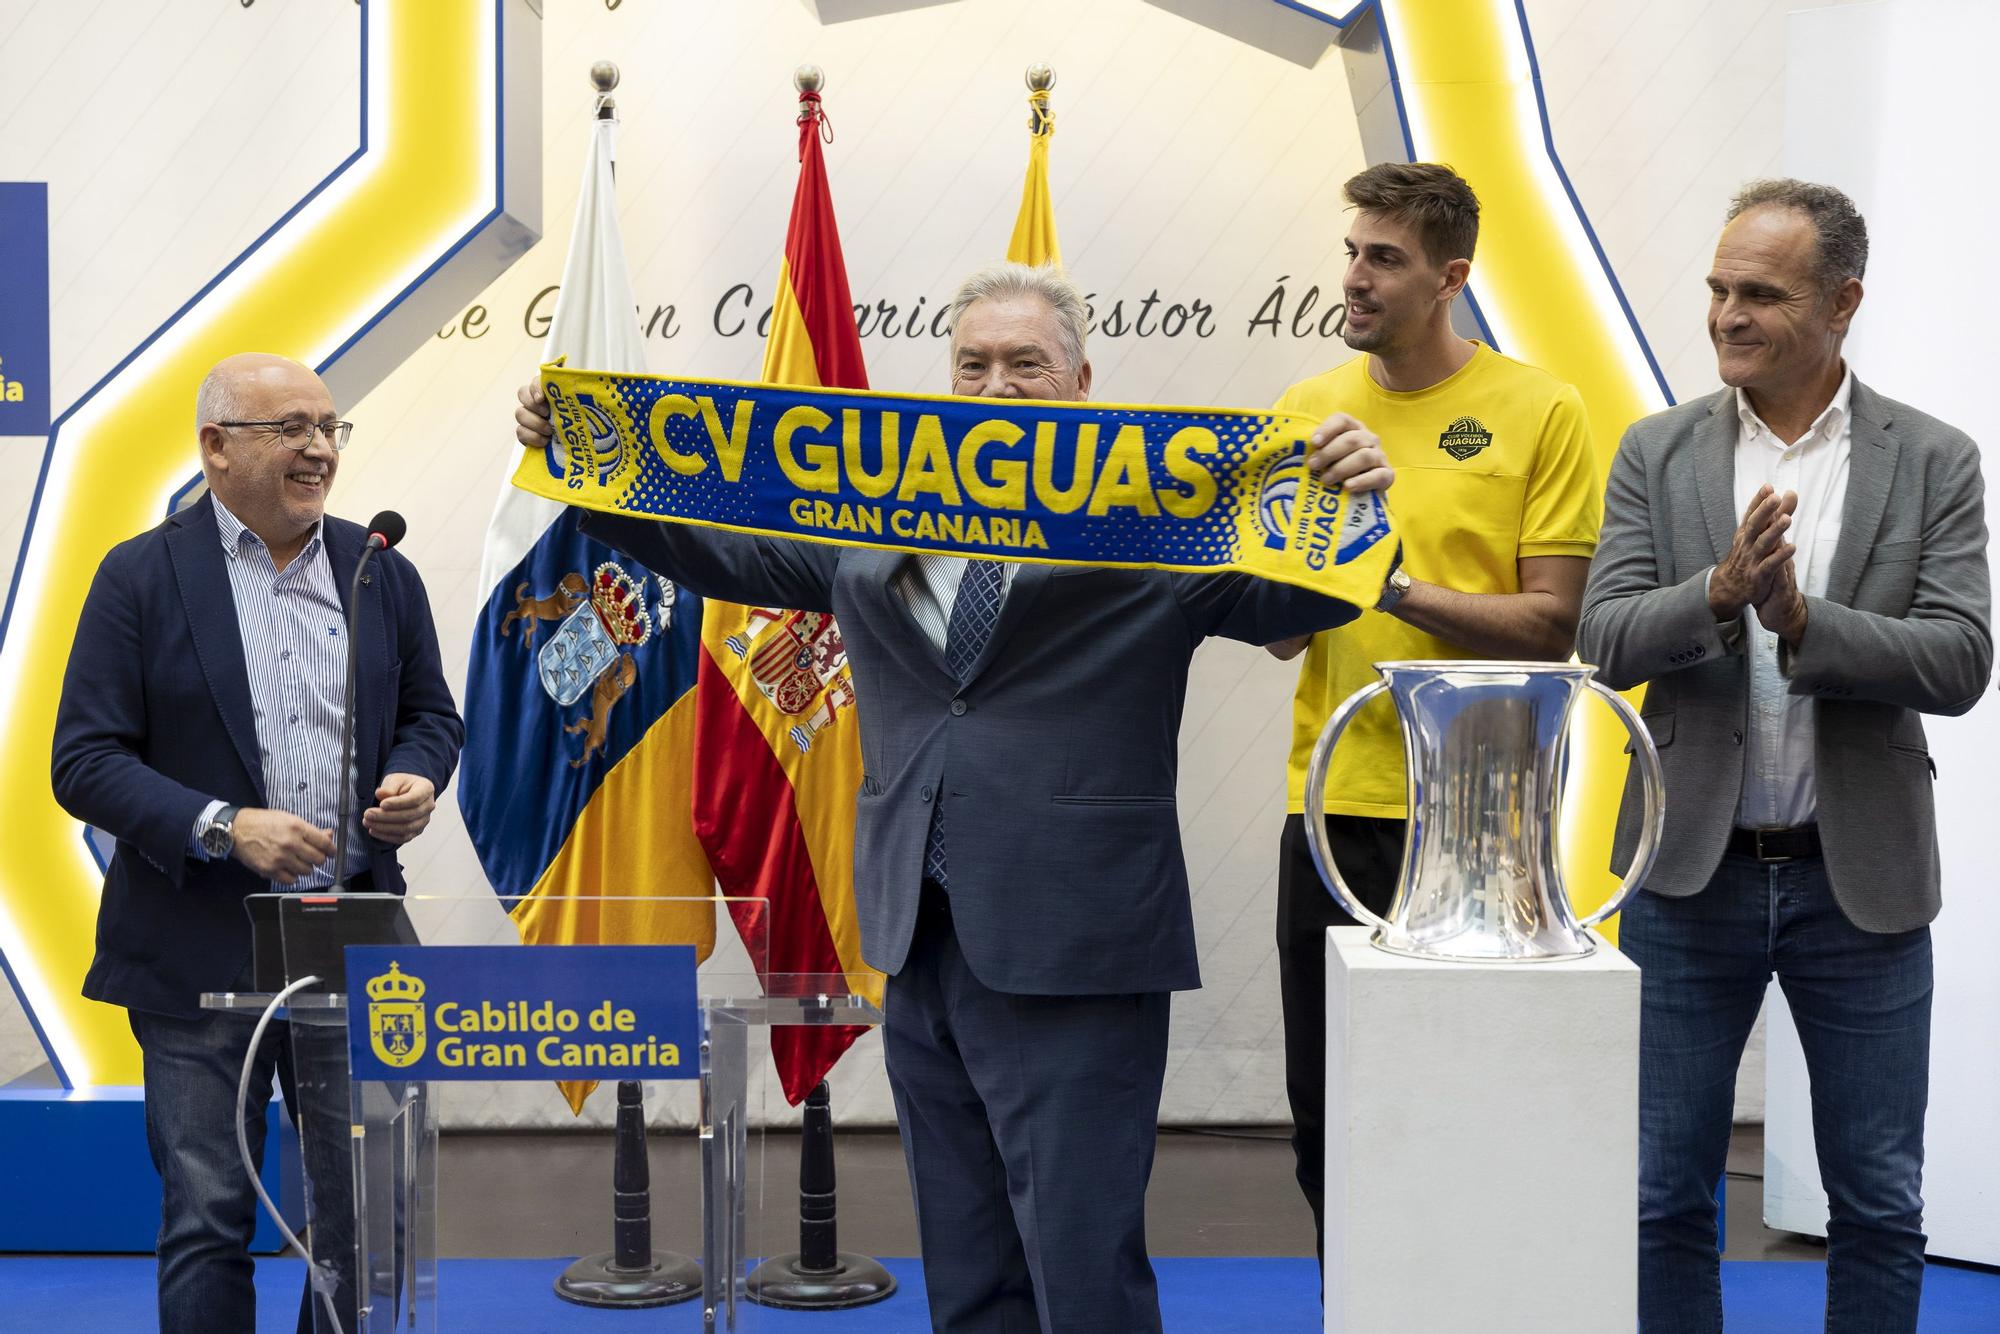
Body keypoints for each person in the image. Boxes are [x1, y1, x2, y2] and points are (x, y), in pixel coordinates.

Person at [514, 260, 1395, 1334]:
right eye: (971, 363)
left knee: (1081, 1262)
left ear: (1080, 382)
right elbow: (716, 546)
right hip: (915, 931)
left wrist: (1352, 494)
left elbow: (1297, 589)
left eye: (1025, 363)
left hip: (1076, 938)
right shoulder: (867, 517)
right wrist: (582, 465)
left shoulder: (1158, 516)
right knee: (966, 1261)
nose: (995, 385)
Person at [1578, 180, 1992, 1333]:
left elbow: (1960, 659)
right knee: (1661, 1193)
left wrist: (1805, 624)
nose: (1724, 313)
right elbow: (1603, 641)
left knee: (1876, 1197)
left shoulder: (1932, 459)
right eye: (1716, 287)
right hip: (1682, 877)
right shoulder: (1653, 451)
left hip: (1854, 883)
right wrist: (1712, 596)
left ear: (1842, 301)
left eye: (1758, 292)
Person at [51, 353, 464, 1334]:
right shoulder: (139, 575)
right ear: (216, 446)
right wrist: (223, 825)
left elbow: (430, 713)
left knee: (366, 1214)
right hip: (196, 944)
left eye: (328, 426)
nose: (319, 447)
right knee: (208, 1214)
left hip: (351, 933)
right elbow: (84, 760)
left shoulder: (379, 568)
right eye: (291, 426)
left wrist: (417, 771)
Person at [1263, 161, 1602, 1260]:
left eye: (1384, 259)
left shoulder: (1539, 408)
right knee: (1325, 1123)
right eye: (1351, 252)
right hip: (1326, 813)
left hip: (1484, 826)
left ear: (1449, 276)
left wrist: (1386, 575)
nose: (1354, 278)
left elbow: (1553, 624)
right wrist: (1291, 554)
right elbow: (1276, 629)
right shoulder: (1304, 411)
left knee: (1467, 1112)